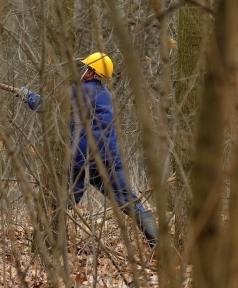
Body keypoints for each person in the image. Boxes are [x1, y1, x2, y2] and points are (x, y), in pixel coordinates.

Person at [17, 53, 158, 248]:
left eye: (85, 67)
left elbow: (47, 107)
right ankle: (159, 244)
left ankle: (46, 243)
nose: (80, 69)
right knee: (129, 201)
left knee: (63, 202)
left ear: (92, 72)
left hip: (82, 158)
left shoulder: (79, 91)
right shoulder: (104, 94)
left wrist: (27, 95)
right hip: (109, 159)